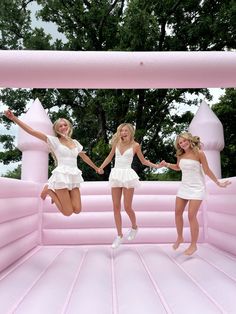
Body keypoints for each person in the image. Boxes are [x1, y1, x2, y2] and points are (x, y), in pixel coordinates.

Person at [4, 109, 100, 216]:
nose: (63, 127)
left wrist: (96, 168)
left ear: (69, 126)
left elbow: (84, 157)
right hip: (61, 176)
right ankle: (49, 190)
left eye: (65, 125)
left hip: (73, 176)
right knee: (67, 212)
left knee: (77, 210)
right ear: (57, 129)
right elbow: (32, 131)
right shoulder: (54, 141)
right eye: (60, 126)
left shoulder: (75, 143)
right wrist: (14, 118)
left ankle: (50, 190)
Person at [162, 132, 231, 256]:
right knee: (177, 213)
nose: (183, 144)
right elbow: (178, 167)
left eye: (184, 141)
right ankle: (180, 237)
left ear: (189, 140)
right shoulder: (180, 155)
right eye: (180, 142)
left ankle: (193, 245)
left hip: (197, 188)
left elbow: (207, 170)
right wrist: (166, 164)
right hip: (184, 187)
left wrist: (218, 183)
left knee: (191, 216)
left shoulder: (199, 153)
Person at [98, 123, 162, 249]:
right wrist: (101, 167)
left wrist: (156, 166)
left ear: (130, 132)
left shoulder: (136, 145)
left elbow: (143, 161)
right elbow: (109, 157)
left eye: (126, 130)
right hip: (116, 174)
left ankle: (134, 227)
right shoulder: (116, 143)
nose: (123, 132)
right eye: (121, 130)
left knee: (127, 207)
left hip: (127, 175)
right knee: (116, 207)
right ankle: (119, 235)